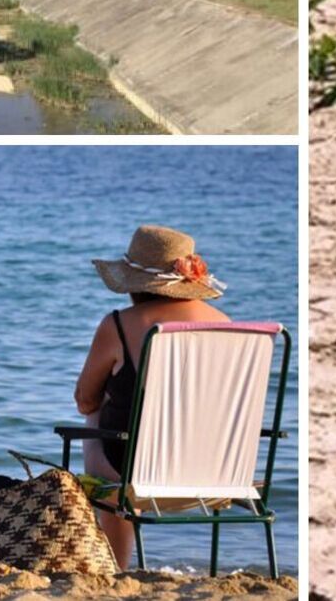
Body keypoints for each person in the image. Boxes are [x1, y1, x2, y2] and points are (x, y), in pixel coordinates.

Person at [74, 224, 231, 567]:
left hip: (130, 474)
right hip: (215, 470)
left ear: (134, 284)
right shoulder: (226, 324)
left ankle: (118, 563)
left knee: (97, 413)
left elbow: (85, 400)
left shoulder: (118, 324)